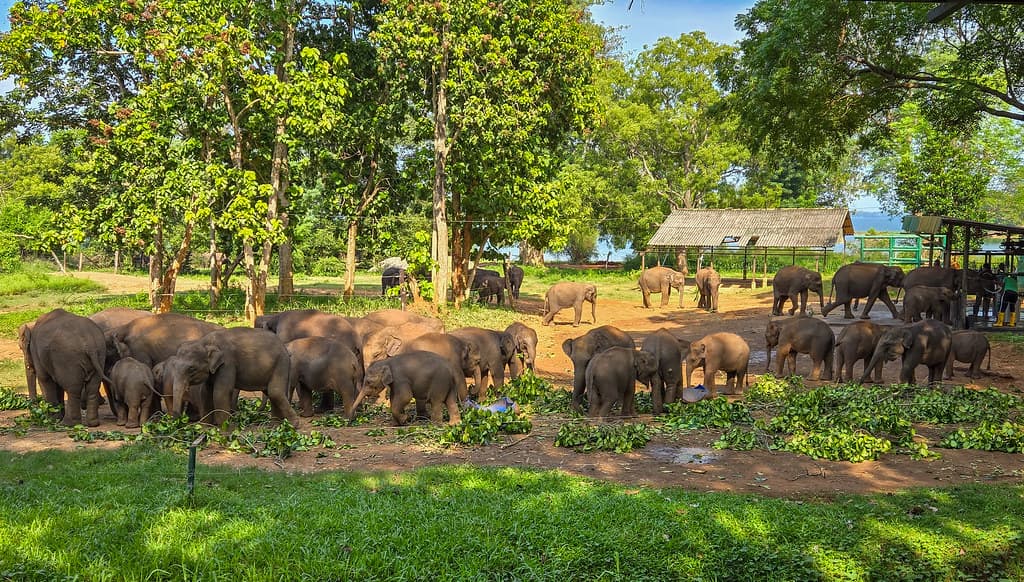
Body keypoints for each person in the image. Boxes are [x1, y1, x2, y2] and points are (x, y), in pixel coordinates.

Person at [995, 259, 1022, 327]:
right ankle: (1012, 323)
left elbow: (1001, 285)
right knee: (1012, 307)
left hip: (1007, 293)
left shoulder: (1006, 278)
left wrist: (996, 282)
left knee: (1002, 307)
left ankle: (1000, 323)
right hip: (1015, 294)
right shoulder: (1016, 281)